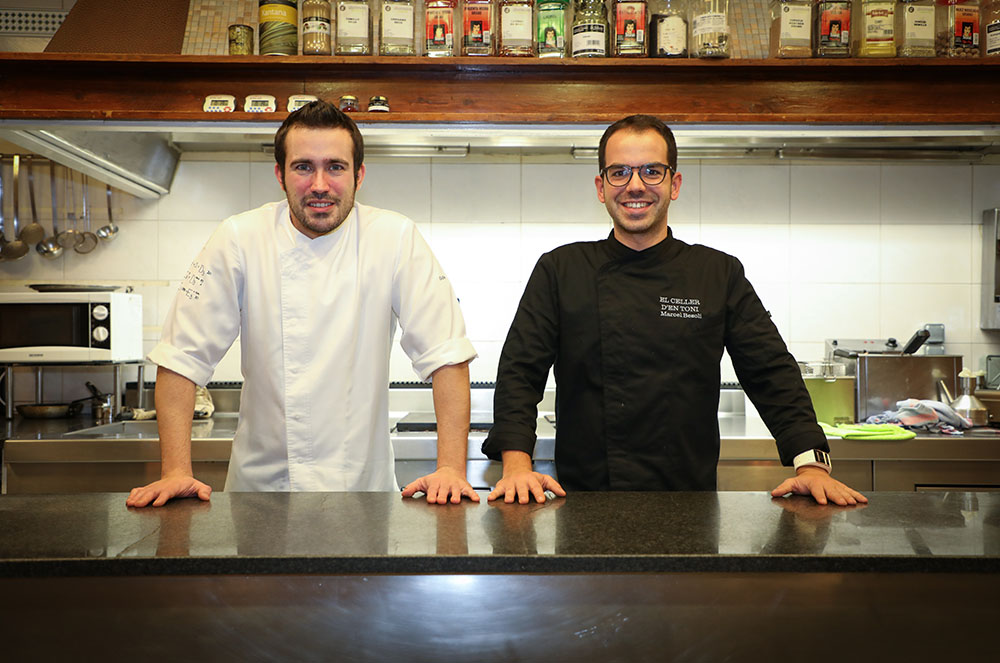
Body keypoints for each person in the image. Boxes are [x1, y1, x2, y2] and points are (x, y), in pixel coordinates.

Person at [483, 114, 867, 507]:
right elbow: (520, 371)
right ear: (601, 187)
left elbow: (770, 370)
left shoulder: (717, 273)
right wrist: (516, 466)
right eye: (619, 172)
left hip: (690, 505)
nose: (635, 185)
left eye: (652, 171)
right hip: (585, 503)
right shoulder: (561, 270)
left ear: (674, 183)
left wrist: (812, 466)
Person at [127, 101, 479, 508]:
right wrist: (175, 471)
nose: (319, 184)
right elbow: (180, 358)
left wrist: (451, 467)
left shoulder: (395, 238)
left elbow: (446, 355)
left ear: (359, 175)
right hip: (262, 492)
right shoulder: (240, 237)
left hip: (361, 491)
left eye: (335, 167)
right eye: (303, 167)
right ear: (280, 174)